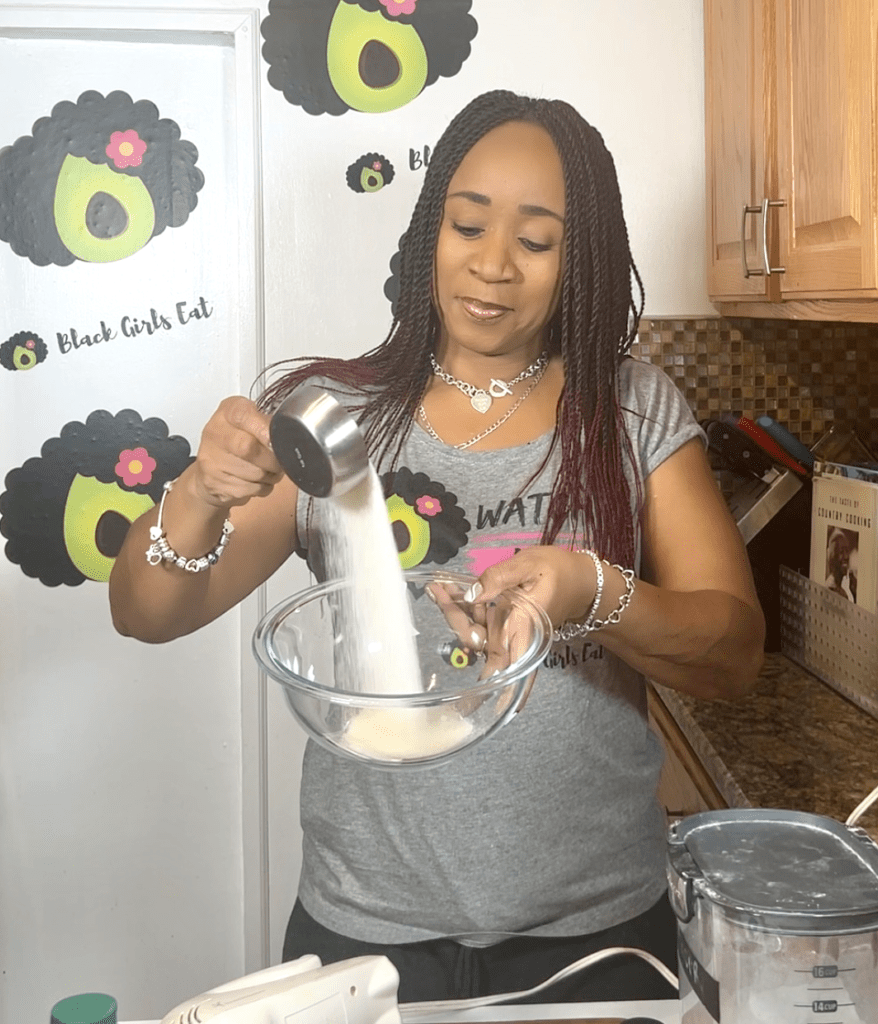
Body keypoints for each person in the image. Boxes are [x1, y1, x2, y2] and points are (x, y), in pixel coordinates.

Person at [109, 90, 765, 1002]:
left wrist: (589, 588)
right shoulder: (334, 418)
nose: (493, 266)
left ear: (581, 262)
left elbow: (731, 653)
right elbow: (146, 612)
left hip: (598, 928)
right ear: (431, 233)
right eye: (467, 226)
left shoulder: (632, 409)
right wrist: (195, 493)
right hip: (365, 930)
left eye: (535, 242)